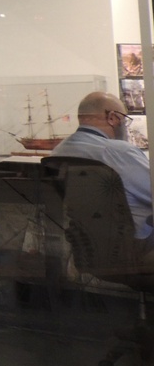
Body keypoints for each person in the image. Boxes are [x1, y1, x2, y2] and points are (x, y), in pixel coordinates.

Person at [52, 91, 154, 251]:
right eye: (124, 120)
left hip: (90, 250)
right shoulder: (117, 151)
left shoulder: (59, 151)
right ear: (112, 117)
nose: (124, 127)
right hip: (137, 248)